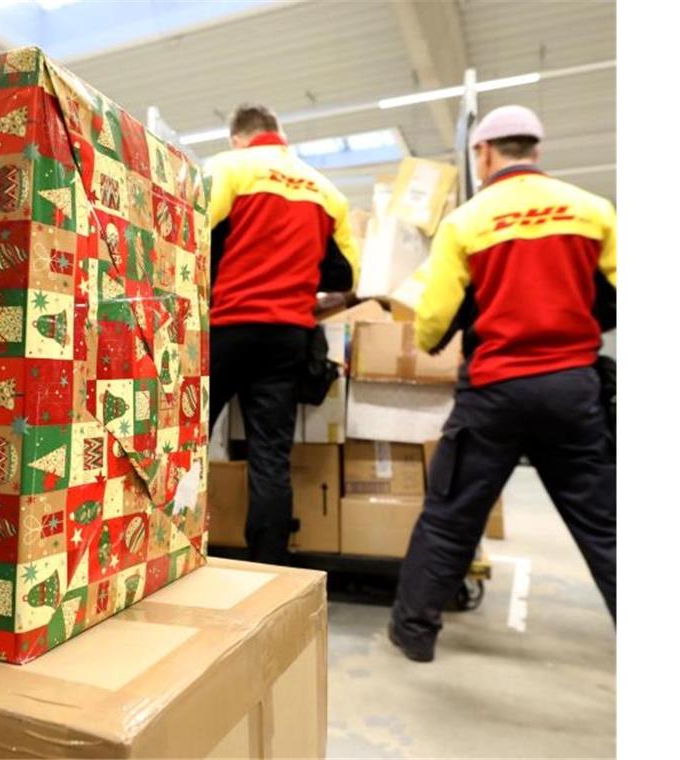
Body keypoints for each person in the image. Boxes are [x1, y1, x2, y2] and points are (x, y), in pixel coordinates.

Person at [388, 105, 617, 662]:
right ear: (535, 149)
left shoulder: (467, 221)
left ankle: (414, 633)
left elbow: (435, 320)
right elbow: (616, 297)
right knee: (605, 523)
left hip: (494, 393)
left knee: (451, 512)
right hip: (571, 388)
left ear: (483, 154)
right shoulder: (592, 211)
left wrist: (433, 336)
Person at [206, 104, 360, 564]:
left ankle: (169, 544)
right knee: (270, 456)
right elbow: (347, 274)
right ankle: (268, 567)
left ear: (239, 137)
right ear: (279, 133)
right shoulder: (326, 190)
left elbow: (190, 234)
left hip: (228, 328)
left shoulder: (227, 167)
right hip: (289, 336)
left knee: (184, 443)